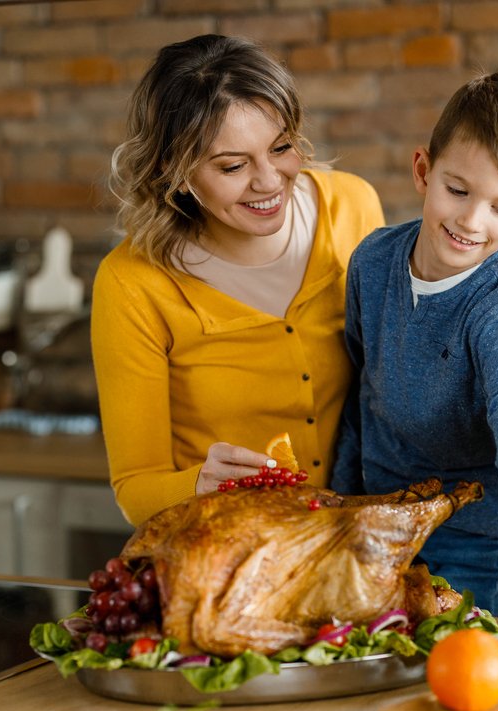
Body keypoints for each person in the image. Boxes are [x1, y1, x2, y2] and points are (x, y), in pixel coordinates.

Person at [330, 70, 498, 664]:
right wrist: (339, 509)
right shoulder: (371, 263)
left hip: (477, 539)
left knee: (459, 680)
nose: (473, 221)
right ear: (423, 171)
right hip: (382, 525)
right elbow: (356, 391)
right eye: (458, 190)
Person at [91, 34, 385, 526]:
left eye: (282, 147)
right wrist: (200, 486)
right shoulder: (131, 283)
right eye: (232, 165)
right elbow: (135, 488)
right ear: (177, 173)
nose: (269, 181)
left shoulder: (353, 208)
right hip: (220, 550)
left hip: (349, 544)